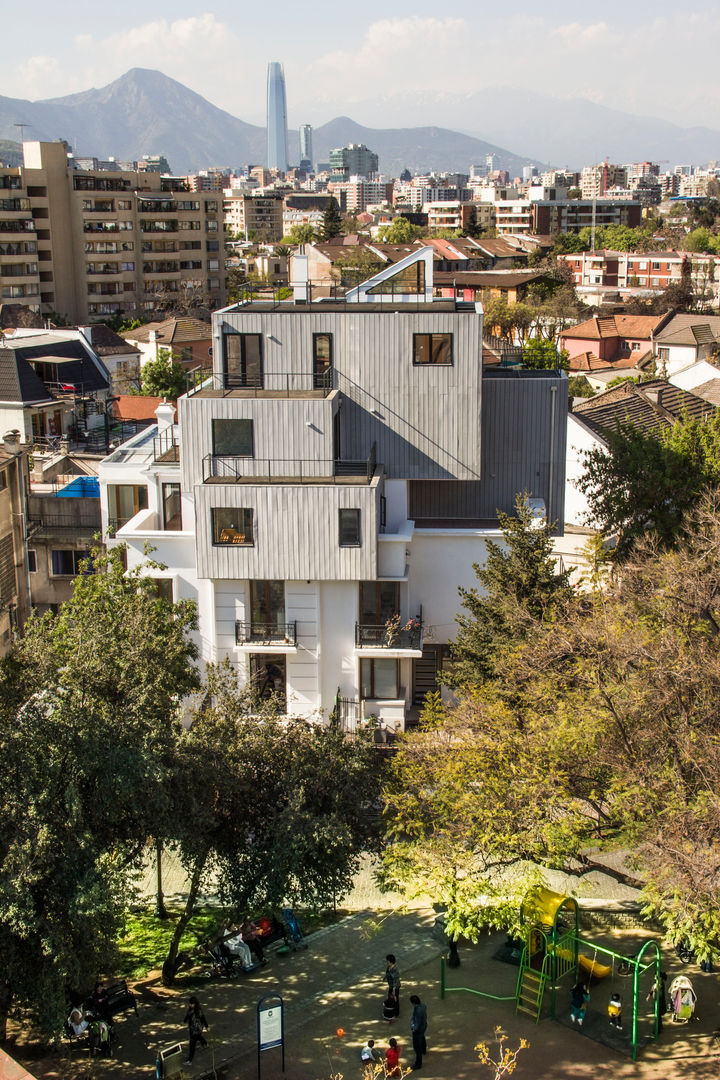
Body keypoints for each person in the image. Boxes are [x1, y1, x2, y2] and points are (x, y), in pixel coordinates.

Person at [183, 996, 209, 1064]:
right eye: (190, 1003)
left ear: (195, 1004)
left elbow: (203, 1018)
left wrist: (206, 1026)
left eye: (192, 1004)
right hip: (193, 1030)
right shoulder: (190, 1011)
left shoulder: (198, 1011)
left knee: (192, 1045)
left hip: (196, 1030)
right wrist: (185, 1021)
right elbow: (187, 1017)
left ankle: (190, 1060)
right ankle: (205, 1043)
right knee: (199, 1037)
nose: (190, 1005)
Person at [409, 994, 428, 1069]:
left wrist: (413, 1028)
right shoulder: (423, 1005)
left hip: (418, 1029)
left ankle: (418, 1063)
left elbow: (417, 1022)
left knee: (417, 1047)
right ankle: (424, 1050)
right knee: (422, 1037)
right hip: (424, 1026)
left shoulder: (417, 1010)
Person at [385, 954, 400, 1020]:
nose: (386, 963)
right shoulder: (389, 967)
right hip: (391, 985)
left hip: (395, 987)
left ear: (391, 962)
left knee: (395, 999)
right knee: (391, 997)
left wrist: (394, 990)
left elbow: (395, 980)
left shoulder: (395, 970)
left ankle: (396, 1013)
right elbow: (387, 973)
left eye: (387, 962)